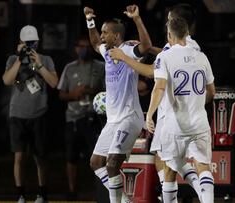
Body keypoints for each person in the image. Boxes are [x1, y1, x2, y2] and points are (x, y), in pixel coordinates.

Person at [109, 3, 206, 201]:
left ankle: (197, 192)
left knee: (168, 161)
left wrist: (124, 57)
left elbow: (152, 72)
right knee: (165, 160)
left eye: (170, 18)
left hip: (171, 112)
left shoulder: (174, 50)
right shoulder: (191, 46)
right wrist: (151, 47)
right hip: (189, 113)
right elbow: (165, 53)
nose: (166, 22)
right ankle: (179, 194)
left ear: (179, 23)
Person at [84, 4, 152, 203]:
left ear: (116, 36)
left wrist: (137, 19)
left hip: (129, 117)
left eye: (106, 32)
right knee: (96, 163)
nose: (102, 36)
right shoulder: (107, 50)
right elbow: (95, 42)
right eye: (102, 32)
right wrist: (90, 20)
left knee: (113, 164)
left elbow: (146, 46)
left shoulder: (128, 50)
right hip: (112, 120)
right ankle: (125, 200)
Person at [146, 17, 215, 203]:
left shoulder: (165, 57)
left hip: (175, 125)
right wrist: (197, 103)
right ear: (187, 33)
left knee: (169, 171)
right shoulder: (202, 57)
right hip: (199, 123)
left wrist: (150, 114)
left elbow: (159, 87)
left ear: (169, 35)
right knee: (203, 167)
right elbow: (211, 92)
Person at [2, 25, 58, 203]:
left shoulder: (46, 59)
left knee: (40, 156)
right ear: (20, 43)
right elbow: (7, 80)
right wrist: (19, 59)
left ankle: (42, 193)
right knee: (19, 155)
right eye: (27, 43)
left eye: (32, 43)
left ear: (38, 43)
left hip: (39, 114)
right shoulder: (13, 59)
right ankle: (20, 194)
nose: (30, 46)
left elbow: (54, 83)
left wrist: (39, 64)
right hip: (17, 114)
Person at [57, 36, 105, 198]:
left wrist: (93, 91)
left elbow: (110, 90)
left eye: (87, 47)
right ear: (76, 48)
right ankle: (72, 190)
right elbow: (61, 94)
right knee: (71, 156)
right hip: (73, 118)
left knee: (97, 155)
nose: (84, 50)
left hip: (93, 117)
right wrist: (73, 94)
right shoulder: (69, 68)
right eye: (81, 46)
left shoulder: (101, 66)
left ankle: (99, 189)